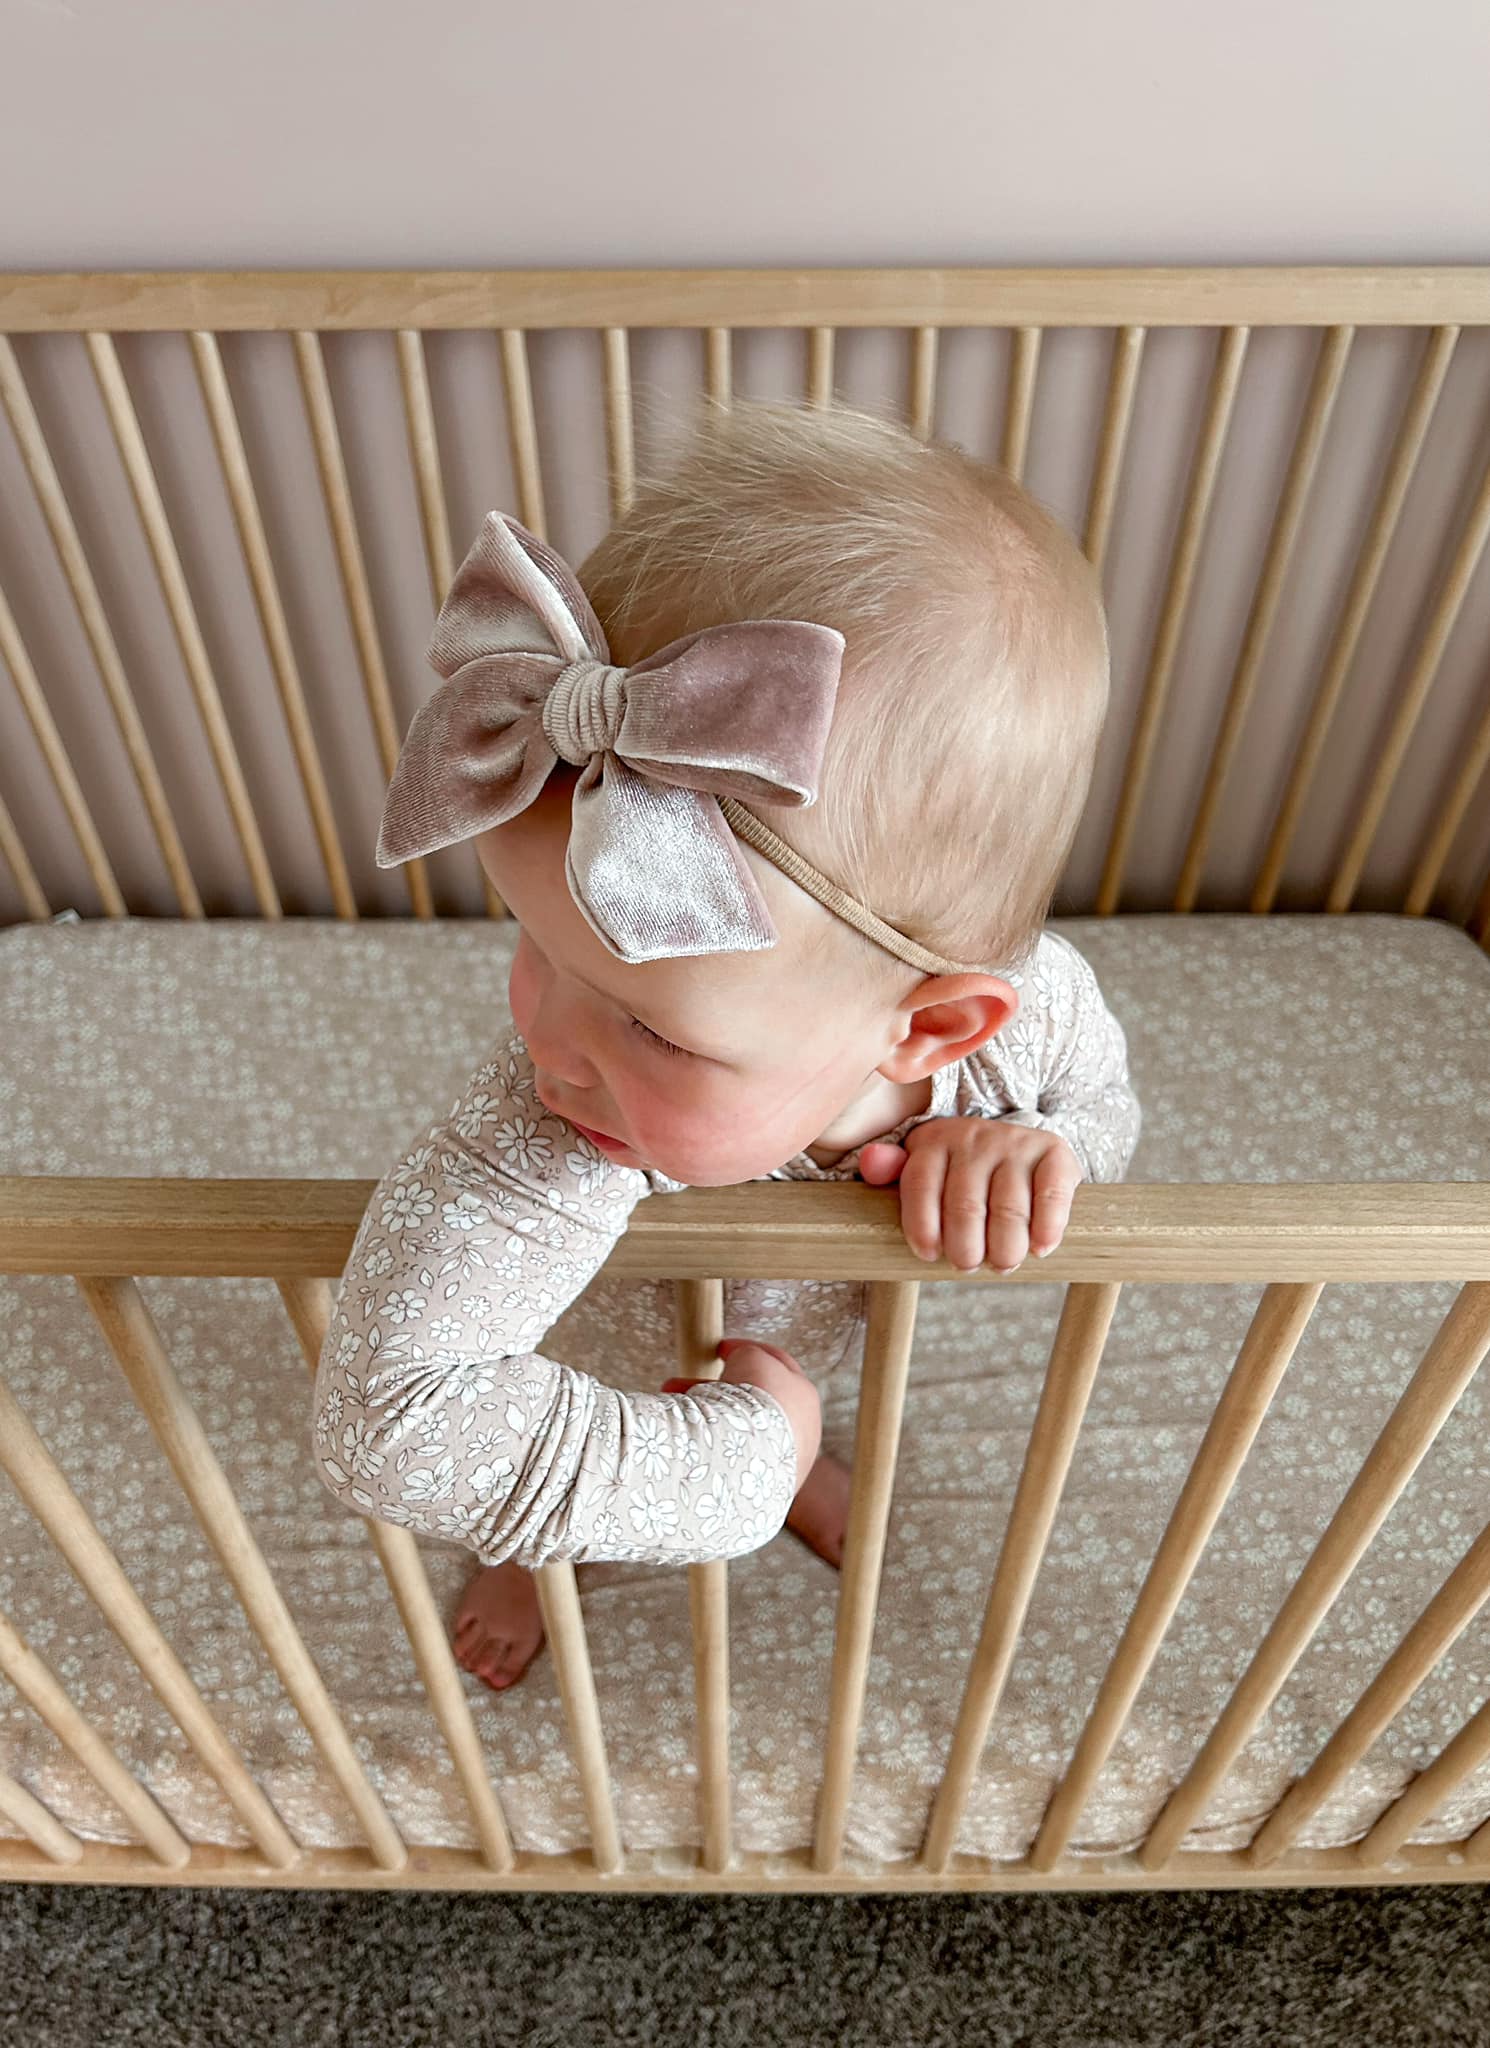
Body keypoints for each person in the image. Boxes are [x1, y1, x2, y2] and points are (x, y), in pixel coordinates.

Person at [312, 399, 1141, 1692]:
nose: (549, 1044)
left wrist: (1040, 1149)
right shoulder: (550, 1126)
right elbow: (394, 1423)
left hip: (809, 1332)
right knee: (595, 1407)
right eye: (537, 946)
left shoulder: (1026, 1023)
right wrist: (746, 1464)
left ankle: (795, 1431)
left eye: (651, 1024)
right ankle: (540, 1542)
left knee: (790, 1362)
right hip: (596, 1344)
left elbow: (1103, 1109)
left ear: (927, 1026)